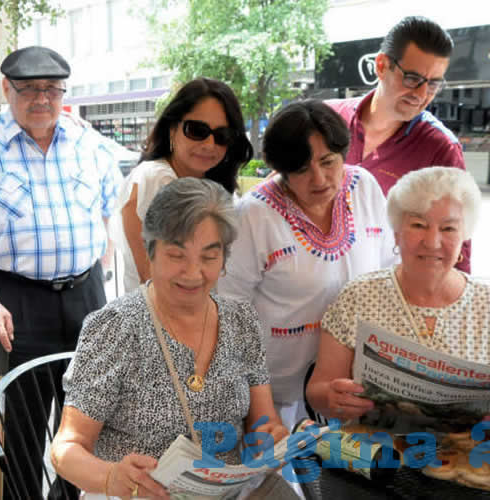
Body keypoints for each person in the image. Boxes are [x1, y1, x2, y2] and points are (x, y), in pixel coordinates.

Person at [0, 45, 120, 500]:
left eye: (52, 89)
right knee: (15, 433)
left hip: (86, 299)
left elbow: (109, 213)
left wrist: (100, 276)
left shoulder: (87, 142)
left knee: (83, 425)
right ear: (6, 89)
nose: (42, 98)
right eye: (29, 89)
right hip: (14, 304)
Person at [51, 178, 288, 498]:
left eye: (208, 257)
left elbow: (263, 421)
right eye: (177, 255)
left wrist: (270, 439)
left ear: (224, 258)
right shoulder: (114, 328)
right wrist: (112, 477)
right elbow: (66, 448)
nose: (193, 273)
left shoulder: (241, 320)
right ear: (150, 252)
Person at [306, 167, 490, 436]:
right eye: (418, 225)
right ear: (397, 232)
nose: (433, 242)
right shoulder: (359, 296)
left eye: (448, 228)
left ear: (464, 237)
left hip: (467, 466)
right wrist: (332, 398)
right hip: (374, 464)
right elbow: (317, 391)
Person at [218, 100, 397, 431]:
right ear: (282, 171)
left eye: (328, 161)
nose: (319, 178)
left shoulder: (365, 189)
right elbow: (229, 317)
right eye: (301, 169)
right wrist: (259, 409)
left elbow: (390, 275)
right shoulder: (254, 216)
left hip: (355, 391)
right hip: (273, 400)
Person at [325, 16, 472, 272]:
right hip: (302, 300)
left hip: (382, 302)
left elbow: (456, 252)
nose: (421, 94)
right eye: (413, 78)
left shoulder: (439, 148)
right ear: (381, 65)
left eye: (434, 84)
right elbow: (276, 197)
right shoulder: (325, 120)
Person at [118, 77, 252, 293]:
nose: (209, 144)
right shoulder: (156, 179)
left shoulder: (213, 187)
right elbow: (153, 278)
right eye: (197, 130)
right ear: (172, 129)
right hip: (163, 320)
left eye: (221, 136)